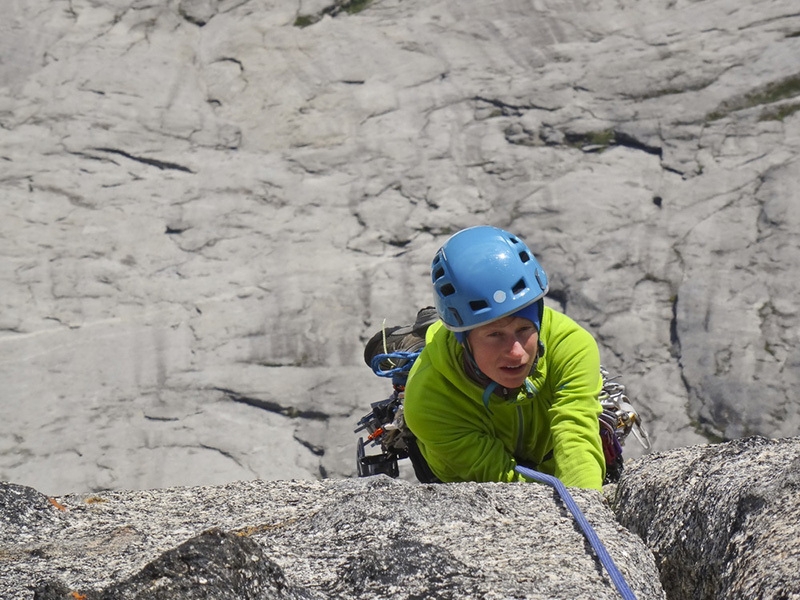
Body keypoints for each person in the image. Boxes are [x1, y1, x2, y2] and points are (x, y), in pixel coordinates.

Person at [402, 225, 606, 490]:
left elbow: (575, 432)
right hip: (463, 482)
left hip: (550, 462)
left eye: (524, 329)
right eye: (494, 334)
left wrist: (587, 507)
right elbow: (502, 481)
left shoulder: (571, 346)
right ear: (463, 340)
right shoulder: (429, 399)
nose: (516, 352)